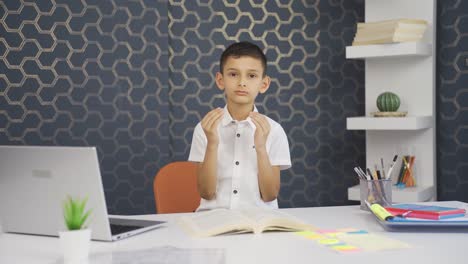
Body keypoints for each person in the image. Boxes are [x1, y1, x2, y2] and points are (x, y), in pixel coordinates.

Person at [188, 41, 291, 211]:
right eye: (233, 74)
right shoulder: (205, 128)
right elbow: (206, 193)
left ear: (263, 84)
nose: (242, 82)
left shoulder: (274, 131)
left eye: (251, 76)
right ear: (220, 80)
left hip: (259, 221)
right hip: (214, 221)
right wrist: (212, 144)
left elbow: (270, 195)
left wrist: (261, 148)